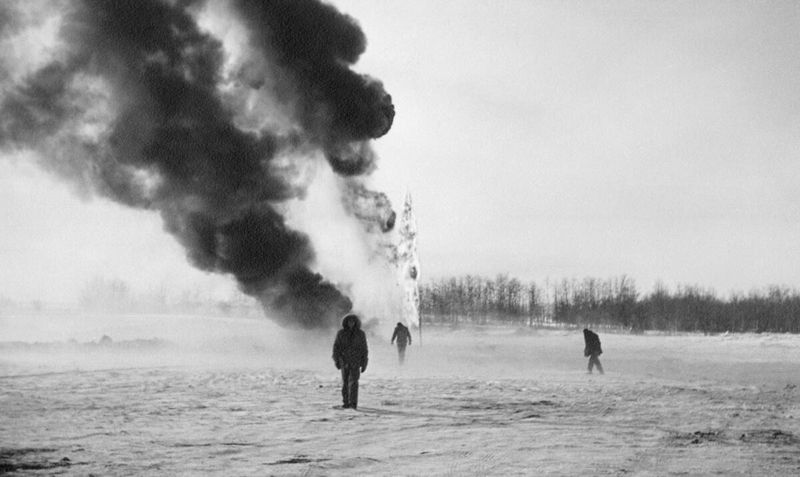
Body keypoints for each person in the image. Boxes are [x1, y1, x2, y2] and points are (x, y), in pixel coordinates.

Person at [332, 314, 369, 409]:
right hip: (344, 361)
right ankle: (346, 402)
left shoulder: (361, 334)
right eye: (349, 321)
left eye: (353, 321)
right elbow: (336, 347)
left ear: (356, 322)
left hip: (355, 361)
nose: (351, 323)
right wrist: (336, 360)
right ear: (346, 322)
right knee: (345, 383)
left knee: (354, 382)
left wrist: (364, 362)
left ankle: (353, 403)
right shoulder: (341, 333)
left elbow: (364, 349)